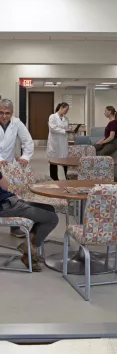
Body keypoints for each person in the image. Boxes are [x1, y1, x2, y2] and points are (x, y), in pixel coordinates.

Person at [0, 170, 59, 271]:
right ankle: (30, 250)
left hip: (9, 202)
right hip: (5, 207)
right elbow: (6, 185)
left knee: (48, 208)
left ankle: (28, 246)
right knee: (52, 218)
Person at [0, 98, 35, 238]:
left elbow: (28, 140)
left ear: (12, 113)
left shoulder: (17, 123)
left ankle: (14, 228)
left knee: (12, 193)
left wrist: (25, 157)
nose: (4, 116)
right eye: (1, 112)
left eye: (7, 113)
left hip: (9, 164)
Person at [47, 102, 73, 181]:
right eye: (66, 109)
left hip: (63, 142)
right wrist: (64, 130)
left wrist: (70, 131)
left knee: (65, 161)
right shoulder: (52, 117)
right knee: (53, 162)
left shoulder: (66, 119)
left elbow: (66, 129)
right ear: (61, 107)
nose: (67, 111)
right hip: (54, 143)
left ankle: (68, 179)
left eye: (68, 110)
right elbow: (52, 128)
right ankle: (54, 179)